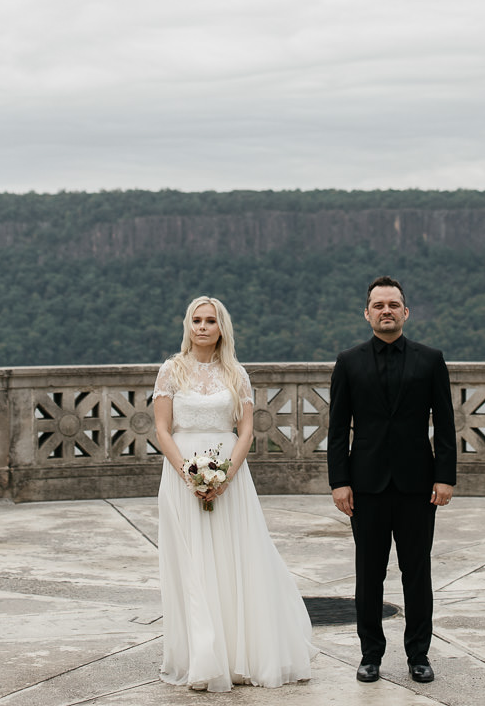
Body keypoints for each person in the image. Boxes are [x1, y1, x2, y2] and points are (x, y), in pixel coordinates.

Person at [153, 295, 314, 692]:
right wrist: (187, 474)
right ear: (187, 325)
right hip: (181, 473)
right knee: (191, 564)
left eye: (211, 320)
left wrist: (225, 476)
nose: (203, 327)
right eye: (197, 320)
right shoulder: (170, 371)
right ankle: (201, 658)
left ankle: (238, 655)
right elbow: (161, 429)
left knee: (233, 558)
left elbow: (245, 430)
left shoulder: (236, 374)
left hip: (230, 474)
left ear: (221, 327)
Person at [328, 276, 457, 685]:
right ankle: (370, 655)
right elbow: (336, 429)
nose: (386, 310)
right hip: (365, 486)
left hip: (418, 485)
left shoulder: (430, 359)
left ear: (406, 312)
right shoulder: (348, 362)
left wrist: (446, 477)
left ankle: (419, 654)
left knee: (417, 572)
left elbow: (447, 425)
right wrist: (338, 481)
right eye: (378, 305)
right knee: (369, 574)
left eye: (393, 304)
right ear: (367, 313)